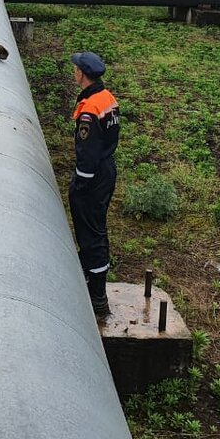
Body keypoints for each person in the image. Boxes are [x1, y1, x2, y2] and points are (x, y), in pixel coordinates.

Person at [69, 51, 120, 318]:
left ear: (82, 73)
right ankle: (91, 277)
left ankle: (97, 295)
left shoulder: (89, 109)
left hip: (94, 174)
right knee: (95, 227)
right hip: (106, 169)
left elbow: (88, 151)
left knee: (91, 230)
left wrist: (81, 183)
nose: (73, 73)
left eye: (75, 69)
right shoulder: (106, 98)